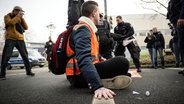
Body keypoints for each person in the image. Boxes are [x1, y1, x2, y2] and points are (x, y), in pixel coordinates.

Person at [65, 0, 132, 100]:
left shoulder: (88, 28)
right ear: (93, 13)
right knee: (122, 62)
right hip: (78, 75)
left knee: (122, 66)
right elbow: (83, 58)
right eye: (98, 11)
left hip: (82, 72)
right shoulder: (83, 29)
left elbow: (92, 54)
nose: (99, 15)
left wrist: (101, 59)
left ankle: (106, 78)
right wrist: (97, 86)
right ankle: (99, 81)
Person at [0, 6, 35, 80]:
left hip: (20, 39)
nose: (19, 13)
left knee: (25, 55)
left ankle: (28, 71)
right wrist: (18, 17)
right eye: (18, 11)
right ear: (14, 11)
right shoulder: (7, 16)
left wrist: (22, 18)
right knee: (6, 56)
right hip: (10, 38)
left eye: (20, 12)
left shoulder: (19, 18)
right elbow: (11, 23)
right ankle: (2, 74)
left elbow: (26, 27)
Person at [167, 0, 184, 75]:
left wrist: (181, 17)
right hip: (175, 22)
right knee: (181, 45)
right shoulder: (170, 1)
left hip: (180, 21)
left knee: (183, 44)